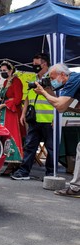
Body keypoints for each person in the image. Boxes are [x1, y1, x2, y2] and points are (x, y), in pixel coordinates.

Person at [34, 63, 80, 197]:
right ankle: (77, 187)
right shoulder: (75, 81)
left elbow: (59, 106)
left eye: (53, 78)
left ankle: (76, 188)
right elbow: (70, 107)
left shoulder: (73, 80)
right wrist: (47, 91)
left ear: (63, 75)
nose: (52, 81)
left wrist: (43, 92)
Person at [11, 53, 55, 180]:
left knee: (51, 148)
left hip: (49, 120)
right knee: (30, 146)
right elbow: (27, 98)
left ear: (45, 64)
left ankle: (51, 174)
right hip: (34, 119)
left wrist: (56, 118)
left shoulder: (54, 78)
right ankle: (24, 172)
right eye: (33, 64)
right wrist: (23, 114)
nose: (34, 66)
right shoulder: (33, 78)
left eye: (36, 64)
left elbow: (59, 98)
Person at [0, 60, 25, 172]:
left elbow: (17, 100)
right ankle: (6, 161)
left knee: (12, 136)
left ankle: (13, 163)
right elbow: (3, 97)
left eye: (4, 70)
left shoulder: (16, 82)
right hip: (5, 112)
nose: (2, 72)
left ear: (11, 70)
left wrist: (4, 104)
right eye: (1, 70)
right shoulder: (6, 82)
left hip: (13, 112)